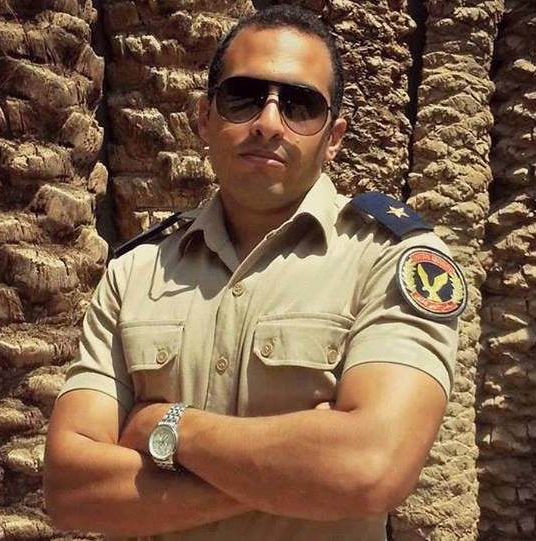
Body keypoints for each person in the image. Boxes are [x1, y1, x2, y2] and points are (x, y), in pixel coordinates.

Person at [43, 5, 466, 541]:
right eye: (243, 98)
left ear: (334, 136)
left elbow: (370, 466)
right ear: (204, 117)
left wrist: (168, 427)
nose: (268, 123)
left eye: (300, 106)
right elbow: (71, 491)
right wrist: (301, 475)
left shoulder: (388, 259)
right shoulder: (135, 275)